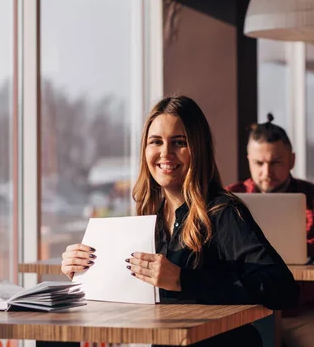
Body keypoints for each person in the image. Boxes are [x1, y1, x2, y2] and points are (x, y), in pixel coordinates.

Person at [61, 96, 299, 346]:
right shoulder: (147, 216)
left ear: (198, 150)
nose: (165, 153)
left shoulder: (223, 211)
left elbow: (282, 287)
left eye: (179, 142)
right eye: (156, 142)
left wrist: (183, 279)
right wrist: (84, 274)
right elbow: (130, 293)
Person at [226, 114, 314, 347]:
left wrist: (296, 249)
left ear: (292, 160)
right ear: (248, 161)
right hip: (246, 310)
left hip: (304, 308)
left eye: (275, 162)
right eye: (259, 163)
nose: (266, 171)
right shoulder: (229, 199)